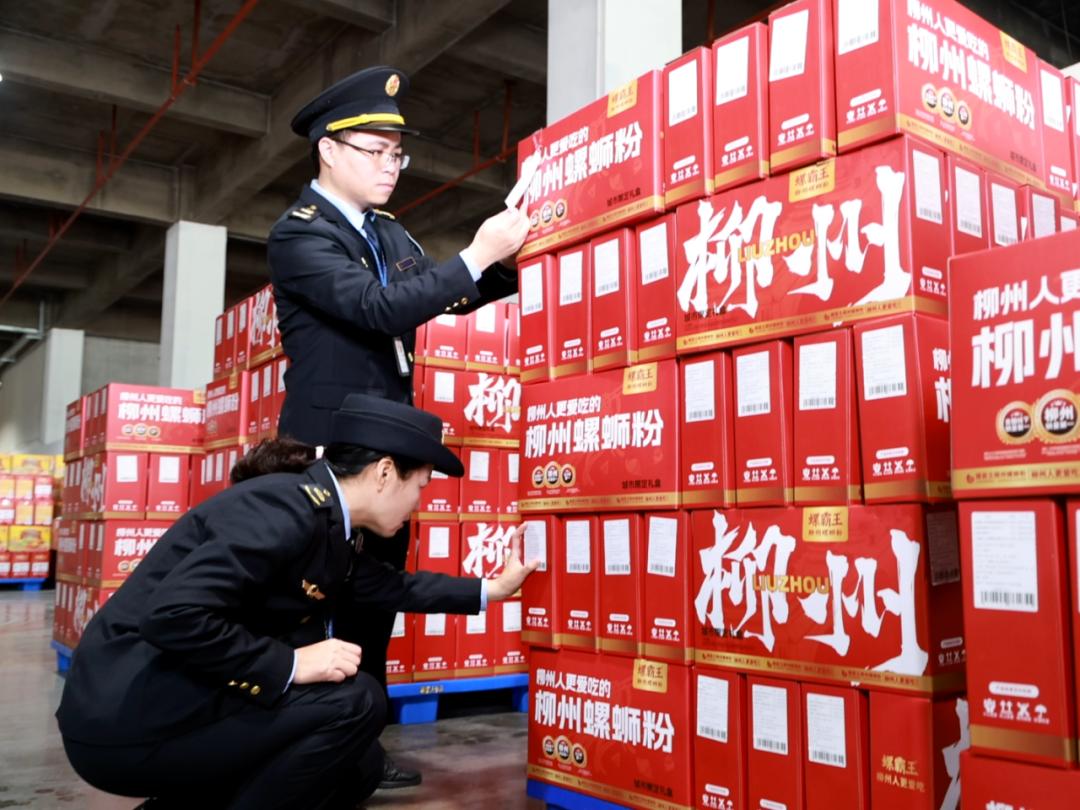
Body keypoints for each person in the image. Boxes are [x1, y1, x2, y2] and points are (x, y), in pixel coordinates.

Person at [56, 395, 538, 810]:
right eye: (421, 486)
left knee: (360, 767)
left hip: (171, 697)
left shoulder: (326, 518)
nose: (418, 503)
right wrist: (289, 664)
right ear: (385, 473)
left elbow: (393, 587)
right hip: (128, 717)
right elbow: (173, 615)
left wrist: (493, 589)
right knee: (358, 702)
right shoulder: (284, 510)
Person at [266, 63, 528, 788]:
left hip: (385, 448)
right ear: (328, 150)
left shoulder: (386, 230)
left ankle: (359, 747)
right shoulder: (300, 235)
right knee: (310, 606)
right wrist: (476, 251)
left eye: (397, 154)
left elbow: (443, 297)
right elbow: (379, 309)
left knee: (373, 600)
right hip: (326, 451)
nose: (390, 166)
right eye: (376, 151)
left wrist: (507, 263)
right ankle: (294, 747)